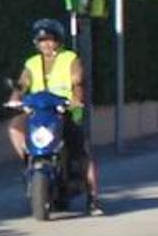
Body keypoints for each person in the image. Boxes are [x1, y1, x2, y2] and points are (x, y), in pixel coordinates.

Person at [6, 18, 103, 215]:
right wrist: (14, 99)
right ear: (36, 43)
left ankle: (93, 199)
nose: (46, 44)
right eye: (42, 41)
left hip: (63, 111)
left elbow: (77, 80)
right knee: (15, 126)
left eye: (50, 40)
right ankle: (29, 157)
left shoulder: (70, 58)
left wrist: (76, 99)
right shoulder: (32, 63)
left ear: (58, 40)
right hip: (38, 112)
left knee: (80, 150)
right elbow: (23, 83)